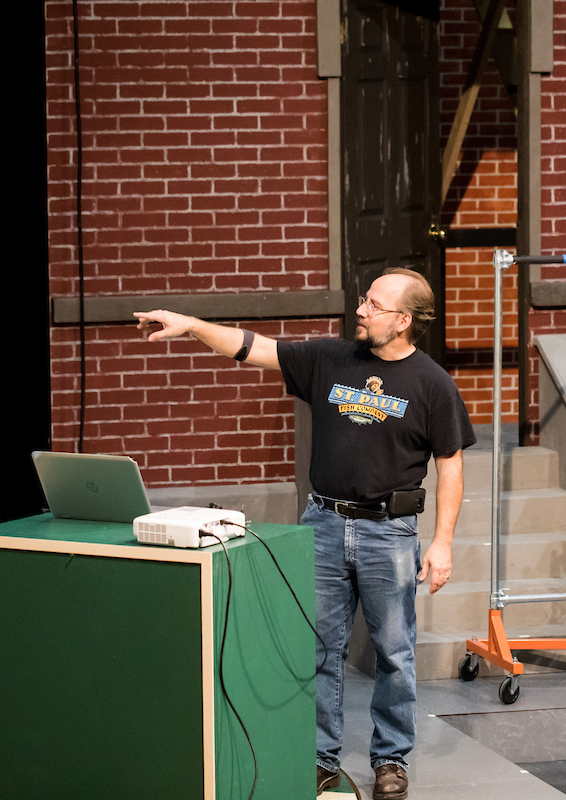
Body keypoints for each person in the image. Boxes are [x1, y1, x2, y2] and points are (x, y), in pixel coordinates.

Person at [134, 268, 475, 800]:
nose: (361, 310)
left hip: (390, 532)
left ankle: (390, 758)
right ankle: (319, 756)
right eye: (364, 299)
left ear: (403, 320)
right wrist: (191, 325)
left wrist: (442, 542)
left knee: (394, 651)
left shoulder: (432, 384)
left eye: (375, 305)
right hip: (323, 524)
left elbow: (450, 467)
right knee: (318, 648)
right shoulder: (331, 358)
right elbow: (252, 347)